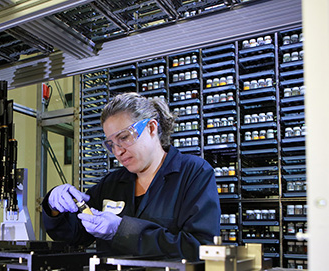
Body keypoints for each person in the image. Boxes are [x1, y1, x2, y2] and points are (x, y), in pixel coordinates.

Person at [42, 92, 220, 261]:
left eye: (124, 137)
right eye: (111, 144)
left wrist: (124, 231)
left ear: (151, 128)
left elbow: (201, 249)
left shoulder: (193, 173)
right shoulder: (112, 183)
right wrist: (53, 207)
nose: (118, 152)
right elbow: (75, 235)